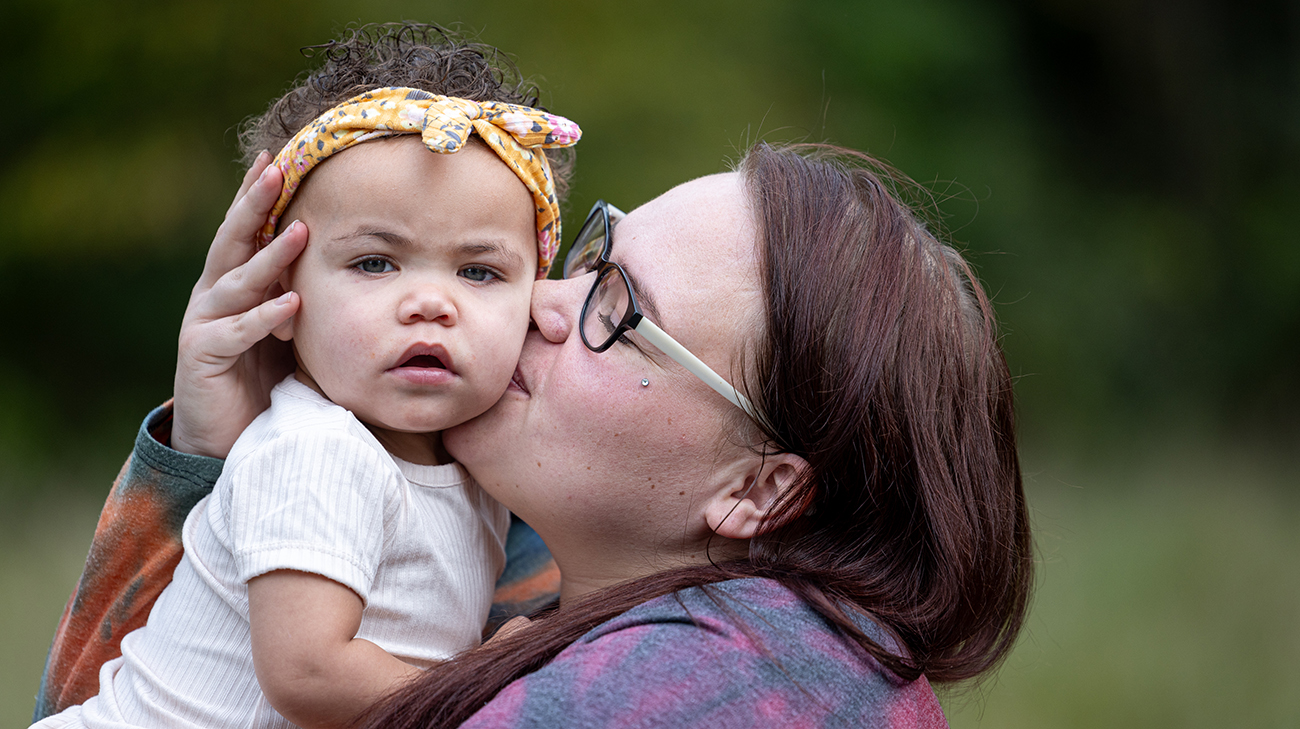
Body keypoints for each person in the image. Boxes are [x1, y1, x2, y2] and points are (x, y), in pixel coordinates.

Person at [37, 55, 1033, 729]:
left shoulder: (690, 693)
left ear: (758, 491)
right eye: (591, 254)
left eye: (617, 309)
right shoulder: (549, 570)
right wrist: (205, 459)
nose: (541, 302)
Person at [31, 24, 580, 729]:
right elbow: (309, 673)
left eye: (479, 271)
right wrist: (488, 678)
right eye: (375, 263)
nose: (431, 302)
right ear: (280, 297)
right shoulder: (318, 449)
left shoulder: (482, 474)